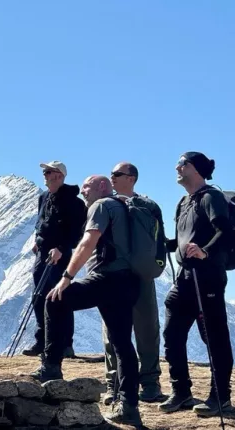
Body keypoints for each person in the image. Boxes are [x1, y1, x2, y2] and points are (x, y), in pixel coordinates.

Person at [32, 175, 143, 427]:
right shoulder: (125, 207)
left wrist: (67, 277)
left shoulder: (101, 206)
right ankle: (129, 406)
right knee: (122, 343)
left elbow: (87, 241)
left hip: (106, 277)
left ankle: (50, 366)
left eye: (87, 186)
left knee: (55, 299)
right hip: (129, 281)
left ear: (101, 187)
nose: (83, 191)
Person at [159, 152, 234, 416]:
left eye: (183, 164)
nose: (177, 167)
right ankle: (181, 392)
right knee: (172, 335)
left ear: (197, 170)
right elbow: (181, 240)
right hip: (185, 278)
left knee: (214, 338)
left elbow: (225, 232)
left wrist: (205, 251)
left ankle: (220, 397)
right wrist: (159, 245)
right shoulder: (184, 202)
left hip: (208, 277)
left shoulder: (211, 197)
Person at [102, 162, 165, 403]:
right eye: (111, 174)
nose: (112, 178)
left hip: (141, 275)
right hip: (113, 276)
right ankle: (114, 383)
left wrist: (156, 266)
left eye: (117, 174)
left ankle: (150, 382)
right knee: (112, 333)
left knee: (147, 330)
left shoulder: (148, 206)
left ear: (132, 178)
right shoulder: (107, 204)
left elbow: (159, 241)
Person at [22, 161, 85, 359]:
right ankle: (42, 341)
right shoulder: (43, 197)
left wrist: (61, 248)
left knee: (59, 297)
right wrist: (37, 242)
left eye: (48, 171)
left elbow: (76, 232)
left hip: (60, 254)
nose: (45, 174)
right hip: (43, 252)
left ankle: (65, 344)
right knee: (38, 296)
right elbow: (41, 224)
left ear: (59, 175)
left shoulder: (75, 202)